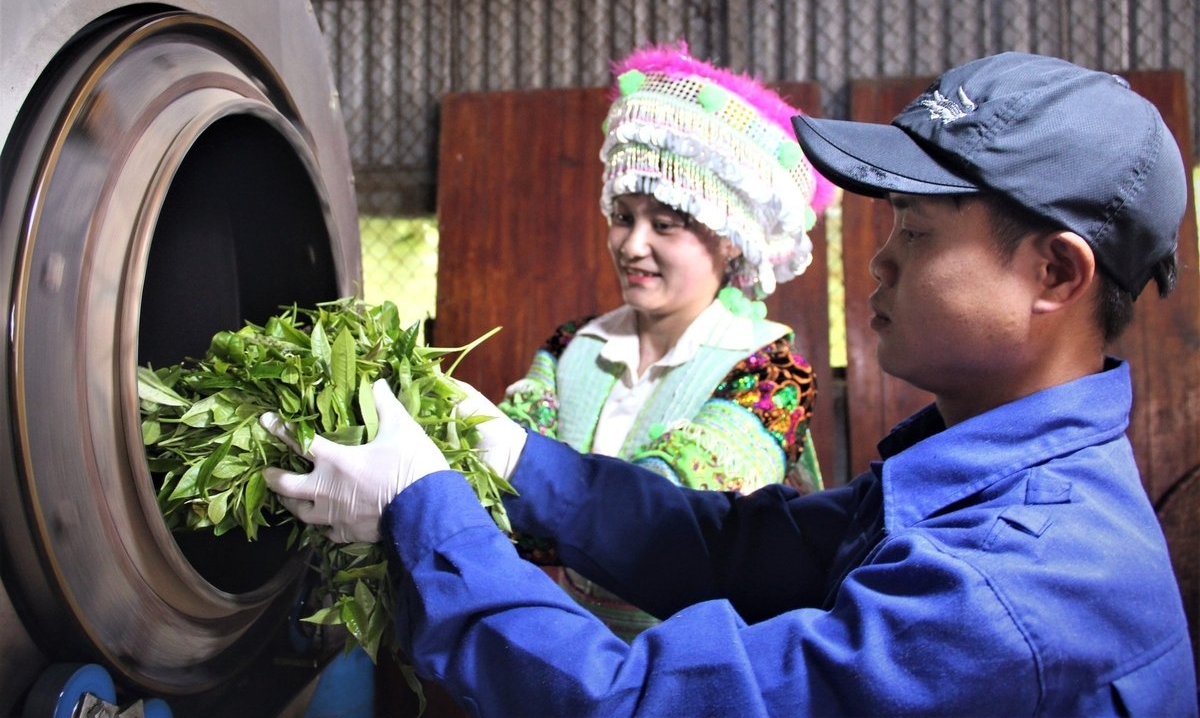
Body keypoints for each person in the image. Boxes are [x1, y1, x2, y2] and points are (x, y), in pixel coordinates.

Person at [263, 52, 1198, 716]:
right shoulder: (965, 487)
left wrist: (426, 508)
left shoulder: (1014, 581)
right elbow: (733, 545)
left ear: (1056, 276)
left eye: (914, 230)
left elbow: (643, 703)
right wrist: (511, 456)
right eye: (622, 217)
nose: (876, 262)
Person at [494, 43, 835, 639]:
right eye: (623, 217)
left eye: (665, 224)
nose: (631, 245)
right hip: (567, 654)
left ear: (730, 239)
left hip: (701, 669)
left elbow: (671, 522)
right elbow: (500, 499)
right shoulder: (574, 346)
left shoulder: (771, 372)